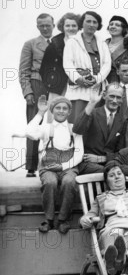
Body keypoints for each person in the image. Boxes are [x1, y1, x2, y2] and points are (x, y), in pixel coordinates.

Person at [79, 162, 128, 275]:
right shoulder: (102, 198)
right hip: (113, 226)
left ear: (124, 177)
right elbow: (91, 214)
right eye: (111, 175)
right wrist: (85, 218)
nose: (116, 177)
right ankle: (117, 258)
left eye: (119, 173)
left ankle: (114, 261)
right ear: (107, 182)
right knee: (114, 235)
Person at [25, 96, 83, 233]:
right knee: (50, 182)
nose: (61, 111)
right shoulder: (46, 128)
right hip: (49, 166)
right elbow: (28, 132)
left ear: (69, 112)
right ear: (52, 110)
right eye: (58, 108)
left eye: (65, 108)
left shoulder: (74, 129)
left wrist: (63, 167)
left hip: (68, 166)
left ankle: (63, 219)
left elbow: (79, 154)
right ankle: (49, 220)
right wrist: (40, 113)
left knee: (69, 182)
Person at [21, 13, 55, 174]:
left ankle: (53, 163)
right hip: (37, 85)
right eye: (42, 25)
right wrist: (28, 92)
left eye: (48, 25)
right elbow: (23, 70)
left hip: (56, 87)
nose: (45, 28)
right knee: (34, 124)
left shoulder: (59, 44)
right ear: (37, 27)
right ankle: (31, 167)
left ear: (53, 25)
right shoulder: (30, 44)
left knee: (56, 124)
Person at [63, 11, 111, 122]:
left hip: (96, 90)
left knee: (94, 125)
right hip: (78, 91)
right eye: (88, 21)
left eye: (95, 22)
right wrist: (78, 79)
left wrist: (98, 78)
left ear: (98, 25)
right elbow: (67, 63)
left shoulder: (102, 44)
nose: (91, 24)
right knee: (77, 123)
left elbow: (107, 64)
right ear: (82, 23)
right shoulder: (72, 42)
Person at [73, 84, 127, 174]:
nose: (114, 101)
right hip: (88, 163)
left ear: (122, 99)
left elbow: (121, 152)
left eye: (118, 97)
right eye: (112, 96)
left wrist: (102, 158)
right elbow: (77, 129)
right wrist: (91, 103)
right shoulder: (93, 113)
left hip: (109, 163)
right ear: (104, 95)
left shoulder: (123, 121)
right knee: (111, 173)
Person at [40, 12, 79, 101]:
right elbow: (43, 69)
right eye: (67, 26)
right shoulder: (53, 45)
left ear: (78, 27)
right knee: (55, 111)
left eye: (74, 26)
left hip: (77, 87)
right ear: (62, 27)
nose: (71, 28)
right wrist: (51, 83)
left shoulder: (83, 44)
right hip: (57, 87)